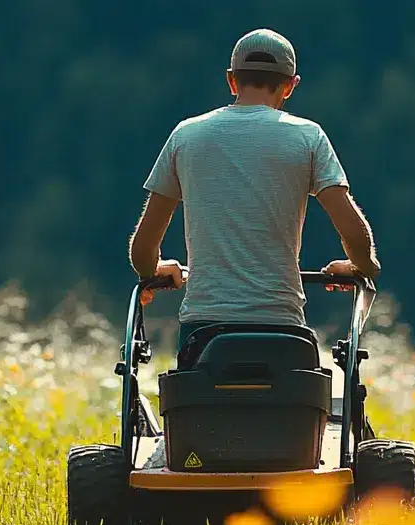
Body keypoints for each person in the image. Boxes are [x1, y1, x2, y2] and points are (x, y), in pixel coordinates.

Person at [127, 28, 381, 359]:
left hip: (203, 334)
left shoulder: (185, 136)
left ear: (232, 81)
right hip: (282, 330)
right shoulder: (308, 138)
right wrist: (362, 265)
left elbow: (143, 249)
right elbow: (355, 236)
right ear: (290, 85)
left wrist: (155, 270)